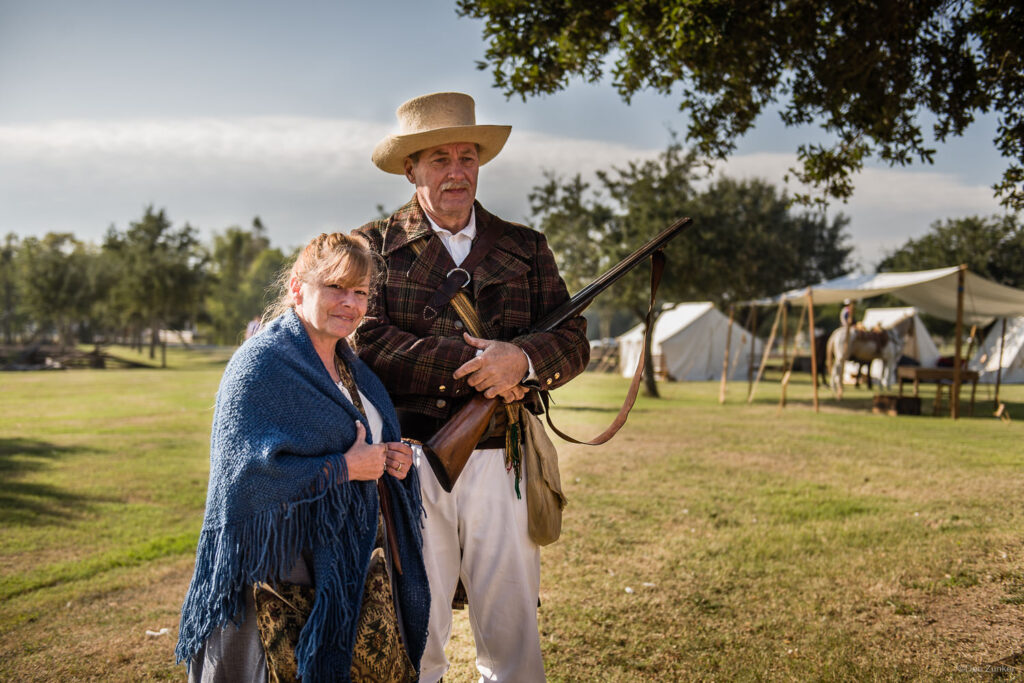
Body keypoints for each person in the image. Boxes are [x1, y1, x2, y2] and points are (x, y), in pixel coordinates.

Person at [354, 92, 590, 682]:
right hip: (410, 461)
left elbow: (573, 340)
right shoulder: (370, 248)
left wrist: (522, 360)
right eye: (439, 159)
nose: (456, 171)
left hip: (503, 458)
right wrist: (473, 364)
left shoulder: (525, 246)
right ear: (411, 170)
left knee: (511, 633)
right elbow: (366, 341)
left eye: (466, 156)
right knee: (419, 629)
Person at [176, 233, 430, 682]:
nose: (350, 303)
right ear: (297, 288)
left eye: (361, 292)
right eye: (336, 287)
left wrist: (393, 460)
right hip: (280, 571)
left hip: (350, 561)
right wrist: (346, 467)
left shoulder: (354, 368)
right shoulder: (259, 365)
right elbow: (245, 477)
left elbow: (370, 441)